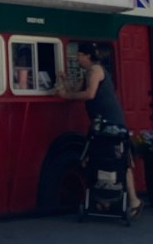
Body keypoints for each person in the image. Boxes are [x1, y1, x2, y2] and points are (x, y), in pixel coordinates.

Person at [57, 42, 143, 219]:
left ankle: (133, 200)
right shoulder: (87, 72)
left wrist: (67, 95)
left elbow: (90, 94)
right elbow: (76, 91)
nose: (77, 58)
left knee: (120, 161)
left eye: (79, 55)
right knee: (100, 159)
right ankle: (105, 200)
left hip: (110, 121)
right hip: (99, 122)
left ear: (87, 56)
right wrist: (64, 82)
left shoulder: (96, 70)